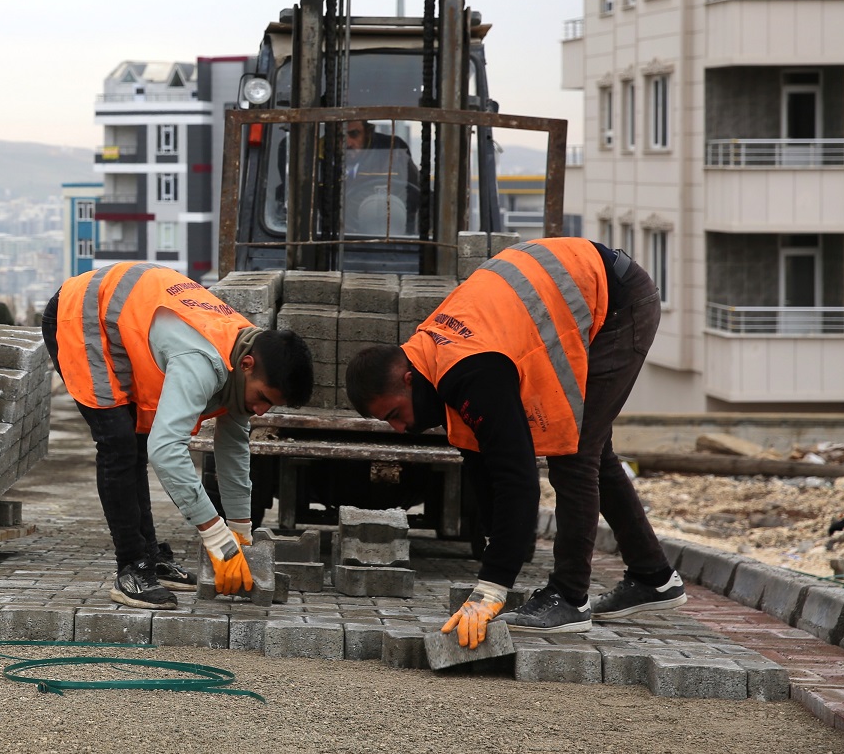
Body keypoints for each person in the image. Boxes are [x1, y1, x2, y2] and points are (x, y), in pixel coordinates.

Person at [344, 237, 682, 649]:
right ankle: (653, 576)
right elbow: (481, 460)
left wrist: (492, 587)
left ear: (408, 379)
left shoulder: (472, 370)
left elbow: (517, 479)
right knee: (593, 449)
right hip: (583, 289)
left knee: (575, 453)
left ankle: (569, 597)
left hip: (618, 303)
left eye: (395, 413)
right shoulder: (433, 356)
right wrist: (497, 547)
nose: (400, 428)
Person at [41, 262, 314, 609]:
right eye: (263, 398)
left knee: (136, 444)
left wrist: (240, 535)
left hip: (122, 319)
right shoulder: (202, 360)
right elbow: (167, 451)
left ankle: (151, 558)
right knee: (118, 444)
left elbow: (232, 452)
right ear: (247, 366)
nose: (261, 411)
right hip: (82, 312)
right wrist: (216, 537)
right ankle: (131, 568)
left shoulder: (246, 352)